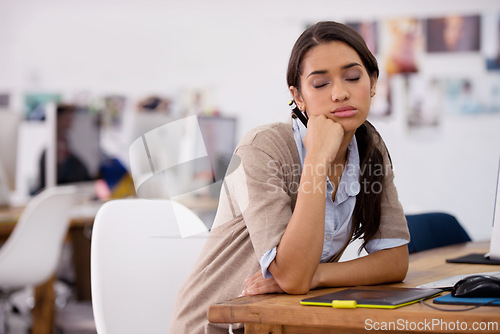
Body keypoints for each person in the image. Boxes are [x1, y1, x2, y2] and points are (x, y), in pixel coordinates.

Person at [169, 21, 410, 334]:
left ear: (373, 82)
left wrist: (318, 275)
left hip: (289, 318)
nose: (340, 93)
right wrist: (317, 159)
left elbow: (394, 260)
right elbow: (293, 276)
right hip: (221, 324)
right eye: (320, 84)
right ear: (299, 98)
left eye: (353, 77)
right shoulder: (262, 148)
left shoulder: (369, 147)